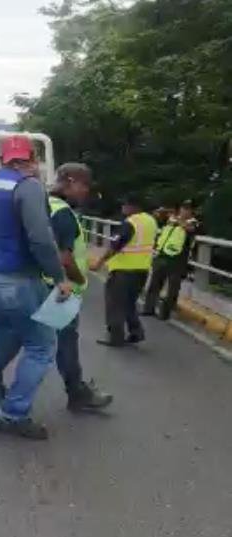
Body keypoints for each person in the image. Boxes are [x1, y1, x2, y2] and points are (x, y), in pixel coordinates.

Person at [0, 135, 73, 440]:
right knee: (42, 345)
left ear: (3, 159)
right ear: (31, 159)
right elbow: (41, 239)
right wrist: (58, 278)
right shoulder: (27, 186)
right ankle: (14, 412)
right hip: (18, 280)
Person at [46, 163, 113, 411]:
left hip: (42, 284)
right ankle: (77, 393)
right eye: (84, 185)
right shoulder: (62, 212)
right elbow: (65, 258)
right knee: (65, 344)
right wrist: (80, 280)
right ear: (70, 181)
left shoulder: (43, 204)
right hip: (62, 289)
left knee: (26, 340)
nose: (86, 192)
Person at [91, 197, 159, 346]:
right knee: (129, 303)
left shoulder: (130, 223)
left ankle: (116, 337)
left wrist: (99, 262)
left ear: (132, 206)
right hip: (142, 270)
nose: (122, 207)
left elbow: (115, 246)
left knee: (115, 304)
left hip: (123, 271)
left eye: (124, 204)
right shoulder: (151, 221)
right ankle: (136, 332)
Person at [142, 201, 199, 320]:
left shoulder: (193, 223)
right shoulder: (172, 220)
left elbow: (190, 229)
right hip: (162, 254)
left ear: (191, 212)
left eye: (187, 209)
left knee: (172, 288)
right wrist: (163, 213)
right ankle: (149, 308)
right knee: (155, 283)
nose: (184, 211)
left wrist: (176, 219)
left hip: (178, 259)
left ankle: (165, 313)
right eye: (183, 208)